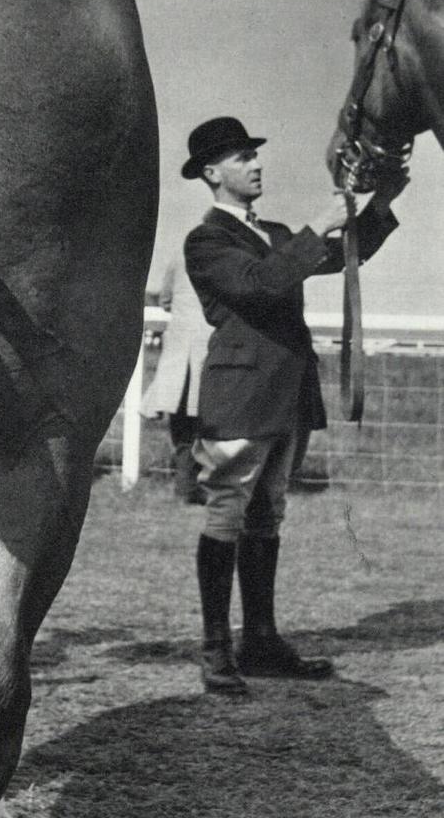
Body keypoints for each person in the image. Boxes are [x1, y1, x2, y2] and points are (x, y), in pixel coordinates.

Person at [181, 116, 405, 695]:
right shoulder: (206, 240)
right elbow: (260, 284)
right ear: (211, 173)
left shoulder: (275, 232)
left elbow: (341, 256)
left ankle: (259, 641)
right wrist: (317, 226)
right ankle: (215, 652)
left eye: (255, 155)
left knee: (266, 514)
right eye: (240, 157)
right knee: (228, 513)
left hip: (284, 395)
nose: (256, 164)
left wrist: (380, 202)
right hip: (241, 394)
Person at [140, 248, 211, 503]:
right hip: (210, 347)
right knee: (205, 423)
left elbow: (166, 300)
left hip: (180, 346)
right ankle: (196, 486)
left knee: (182, 425)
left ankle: (186, 487)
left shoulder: (181, 255)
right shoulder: (229, 254)